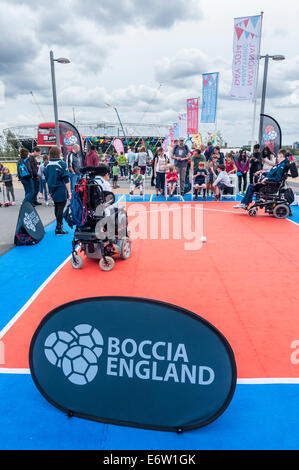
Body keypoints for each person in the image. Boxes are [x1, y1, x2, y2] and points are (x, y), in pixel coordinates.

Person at [44, 146, 71, 235]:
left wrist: (48, 191)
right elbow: (66, 179)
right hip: (60, 188)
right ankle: (59, 228)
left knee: (57, 207)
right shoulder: (61, 164)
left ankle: (58, 226)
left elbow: (46, 180)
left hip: (52, 189)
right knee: (60, 208)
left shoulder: (47, 164)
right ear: (58, 153)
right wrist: (69, 192)